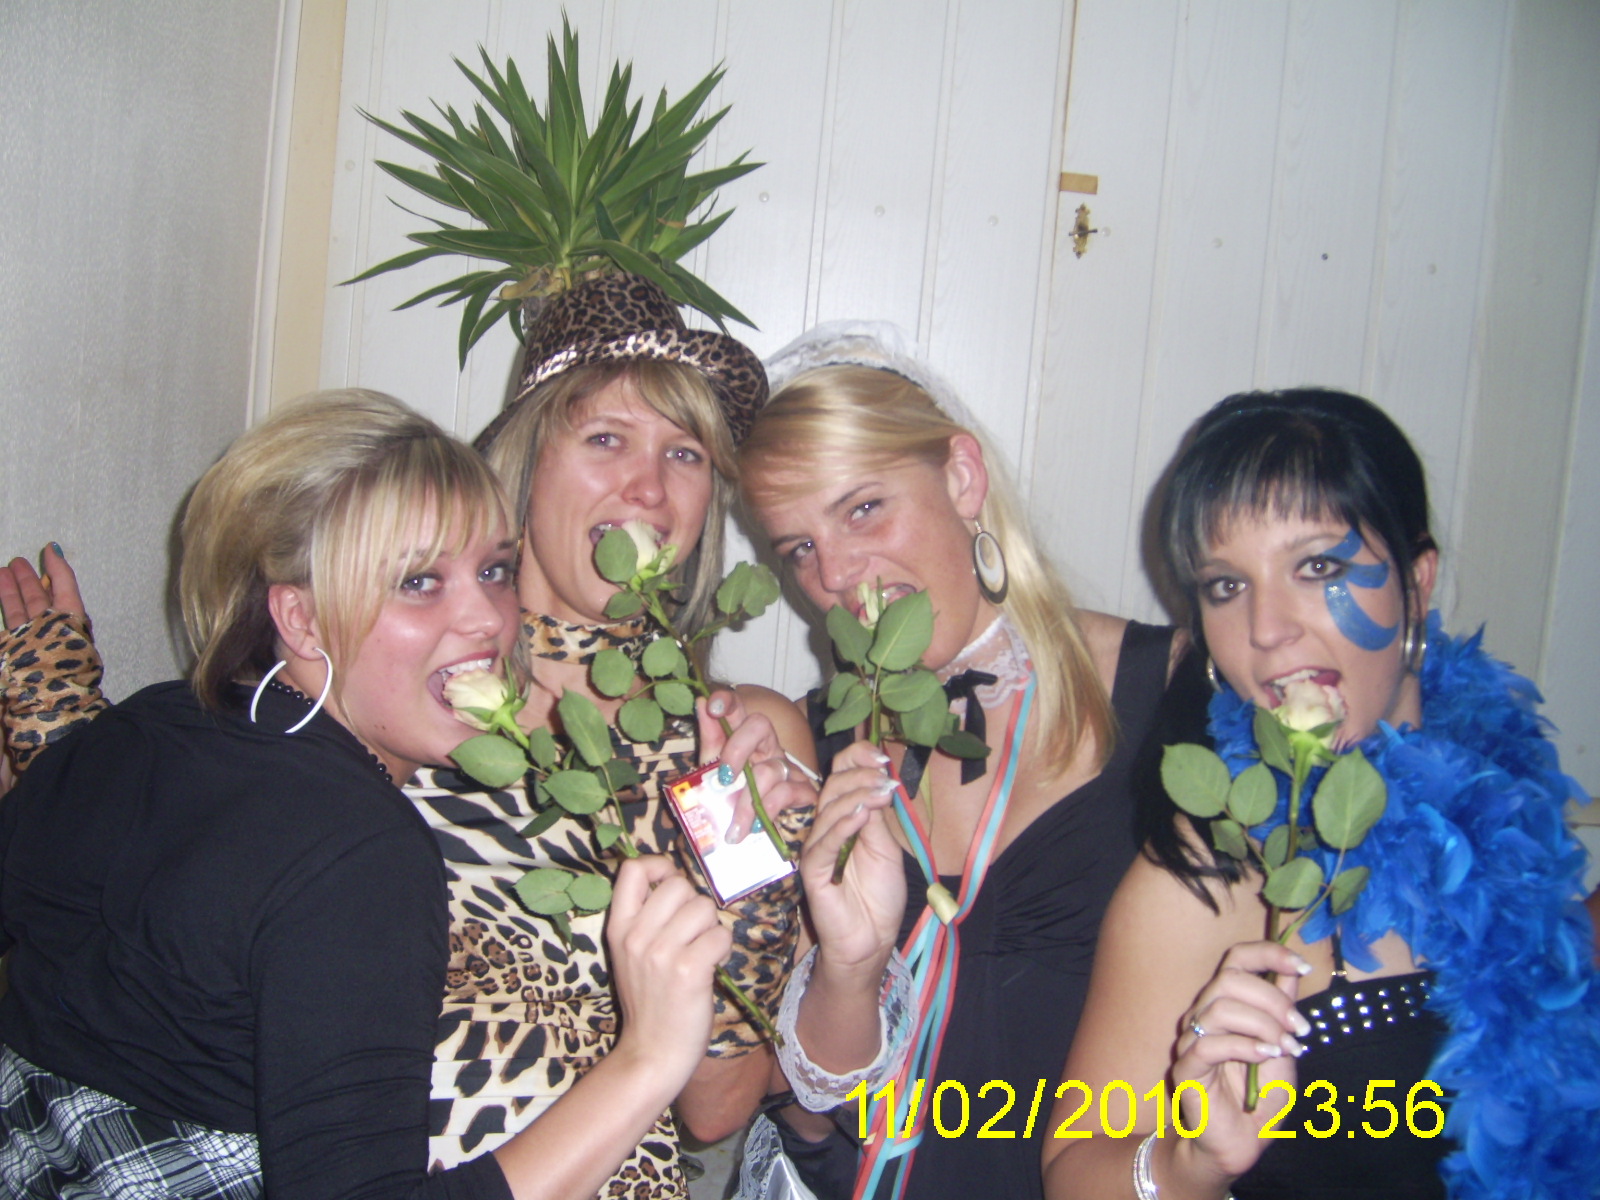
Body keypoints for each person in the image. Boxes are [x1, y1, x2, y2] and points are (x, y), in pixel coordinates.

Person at [0, 391, 734, 1199]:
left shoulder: (151, 724)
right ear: (301, 619)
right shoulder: (360, 851)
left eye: (494, 571)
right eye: (420, 581)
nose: (486, 620)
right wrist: (648, 1059)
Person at [1042, 388, 1600, 1200]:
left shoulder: (1503, 800)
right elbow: (1074, 1172)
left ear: (1417, 582)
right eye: (1226, 586)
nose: (1267, 628)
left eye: (1318, 567)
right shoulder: (1212, 872)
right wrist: (1191, 1163)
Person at [734, 323, 1184, 1200]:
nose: (837, 576)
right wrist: (838, 959)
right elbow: (799, 1104)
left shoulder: (1176, 691)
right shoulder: (813, 747)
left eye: (863, 508)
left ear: (963, 477)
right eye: (798, 549)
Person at [403, 272, 818, 1187]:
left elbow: (714, 1110)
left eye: (685, 453)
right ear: (526, 465)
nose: (650, 487)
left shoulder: (733, 737)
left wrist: (750, 871)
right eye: (605, 438)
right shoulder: (419, 695)